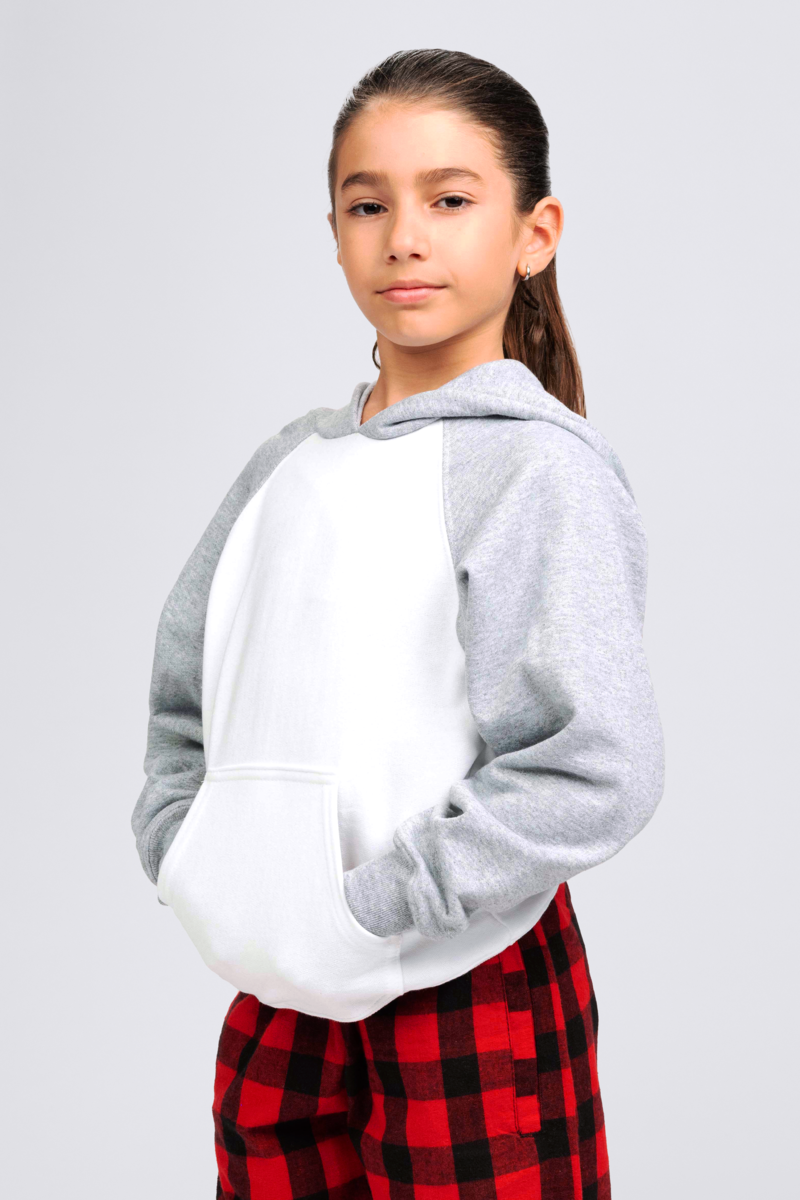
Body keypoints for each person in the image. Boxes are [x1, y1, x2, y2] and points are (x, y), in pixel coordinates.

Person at [132, 47, 665, 1200]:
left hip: (465, 983)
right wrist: (190, 857)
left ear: (533, 233)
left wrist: (371, 908)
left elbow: (594, 766)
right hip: (282, 990)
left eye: (450, 199)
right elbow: (187, 694)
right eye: (367, 204)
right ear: (333, 233)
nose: (403, 237)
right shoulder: (287, 465)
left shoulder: (535, 471)